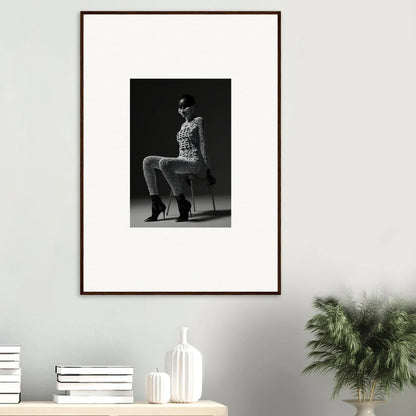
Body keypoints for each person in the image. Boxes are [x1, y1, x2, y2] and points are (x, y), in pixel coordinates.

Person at [142, 94, 216, 222]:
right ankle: (156, 204)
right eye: (180, 107)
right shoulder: (182, 126)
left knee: (164, 163)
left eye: (185, 107)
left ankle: (182, 203)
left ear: (193, 107)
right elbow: (181, 150)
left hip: (194, 162)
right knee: (147, 161)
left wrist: (208, 170)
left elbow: (203, 145)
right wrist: (180, 168)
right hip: (182, 161)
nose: (182, 110)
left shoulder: (198, 121)